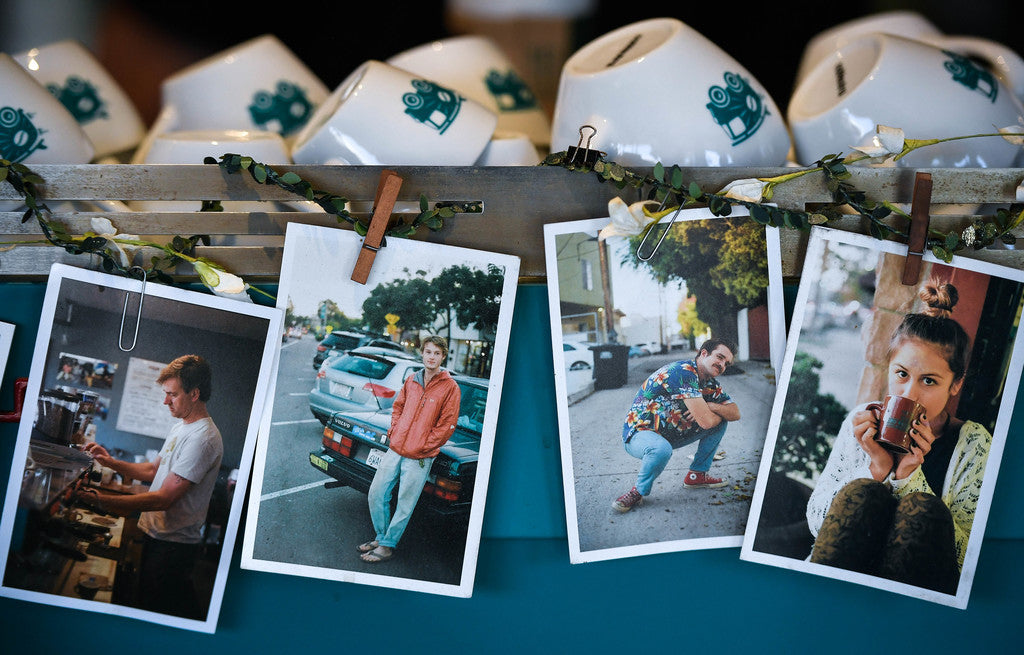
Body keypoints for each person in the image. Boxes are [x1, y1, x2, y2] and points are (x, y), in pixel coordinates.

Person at [805, 280, 991, 594]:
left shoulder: (975, 446)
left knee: (923, 509)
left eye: (929, 381)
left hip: (915, 589)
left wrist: (908, 477)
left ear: (956, 384)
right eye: (901, 374)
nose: (909, 393)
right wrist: (875, 469)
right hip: (843, 579)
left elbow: (965, 561)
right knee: (861, 493)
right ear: (889, 368)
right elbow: (816, 524)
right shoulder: (862, 422)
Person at [77, 355, 223, 618]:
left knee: (156, 611)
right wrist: (109, 462)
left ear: (194, 394)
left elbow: (163, 498)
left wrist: (101, 501)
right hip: (158, 538)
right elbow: (152, 470)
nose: (165, 401)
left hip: (173, 547)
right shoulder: (182, 426)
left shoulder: (203, 438)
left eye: (172, 394)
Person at [358, 336, 461, 563]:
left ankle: (386, 546)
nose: (431, 357)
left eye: (436, 353)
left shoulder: (450, 387)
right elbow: (398, 407)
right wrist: (395, 430)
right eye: (428, 352)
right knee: (376, 492)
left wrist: (424, 445)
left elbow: (447, 425)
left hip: (420, 456)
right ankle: (381, 537)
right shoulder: (412, 380)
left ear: (443, 356)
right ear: (422, 354)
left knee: (405, 502)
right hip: (396, 447)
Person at [612, 337, 741, 513]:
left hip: (670, 434)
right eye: (719, 357)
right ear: (704, 353)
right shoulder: (683, 372)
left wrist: (710, 406)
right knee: (662, 449)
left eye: (727, 363)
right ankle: (637, 492)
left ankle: (697, 475)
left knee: (720, 421)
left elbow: (735, 412)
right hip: (639, 434)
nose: (722, 365)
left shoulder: (710, 383)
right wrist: (713, 413)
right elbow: (706, 421)